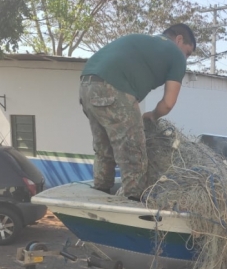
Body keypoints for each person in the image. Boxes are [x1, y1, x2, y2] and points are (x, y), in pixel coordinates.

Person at [79, 24, 196, 200]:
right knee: (134, 152)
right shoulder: (175, 54)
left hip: (86, 86)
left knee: (104, 147)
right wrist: (153, 115)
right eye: (187, 52)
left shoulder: (142, 40)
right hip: (113, 88)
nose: (185, 58)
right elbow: (169, 103)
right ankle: (132, 203)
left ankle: (100, 193)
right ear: (179, 39)